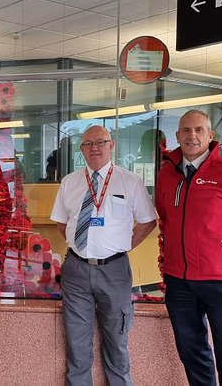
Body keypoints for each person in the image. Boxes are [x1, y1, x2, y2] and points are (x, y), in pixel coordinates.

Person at [155, 109, 222, 386]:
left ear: (210, 136)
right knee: (192, 352)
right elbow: (165, 218)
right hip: (179, 281)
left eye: (199, 130)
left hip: (221, 282)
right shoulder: (167, 175)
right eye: (186, 130)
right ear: (177, 136)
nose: (192, 136)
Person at [50, 126, 157, 386]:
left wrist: (122, 246)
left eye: (100, 142)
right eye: (88, 144)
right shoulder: (70, 182)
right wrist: (79, 244)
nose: (94, 148)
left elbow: (147, 222)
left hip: (114, 270)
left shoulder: (129, 181)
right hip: (76, 270)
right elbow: (62, 222)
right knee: (76, 343)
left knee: (117, 340)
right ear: (81, 149)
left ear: (112, 146)